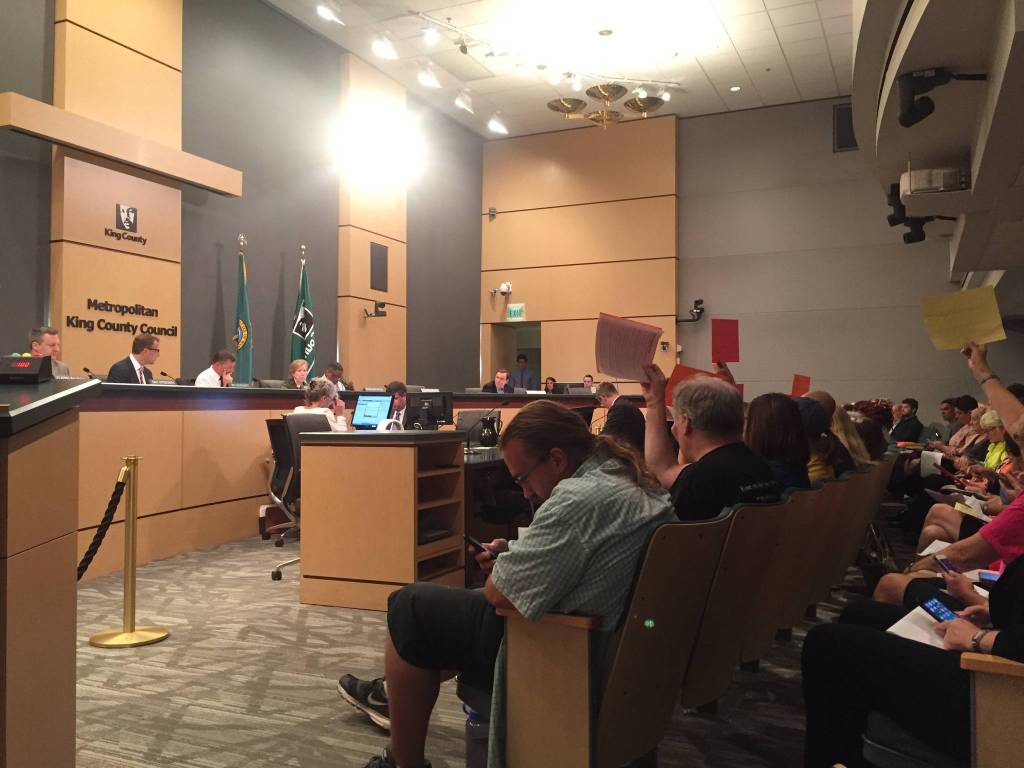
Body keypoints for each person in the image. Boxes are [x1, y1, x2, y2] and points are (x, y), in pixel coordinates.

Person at [335, 400, 675, 768]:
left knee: (408, 607)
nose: (525, 493)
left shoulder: (577, 500)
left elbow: (500, 593)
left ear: (557, 459)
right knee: (435, 622)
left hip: (562, 648)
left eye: (522, 478)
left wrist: (505, 566)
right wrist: (515, 552)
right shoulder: (624, 477)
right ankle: (391, 692)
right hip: (619, 646)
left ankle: (403, 760)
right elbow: (586, 550)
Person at [801, 553, 1024, 768]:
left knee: (827, 646)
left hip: (1001, 700)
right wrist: (994, 614)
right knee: (861, 614)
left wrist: (978, 638)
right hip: (1003, 660)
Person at [641, 364, 781, 521]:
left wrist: (654, 401)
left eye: (677, 420)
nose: (674, 428)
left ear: (686, 423)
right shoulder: (763, 467)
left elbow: (661, 472)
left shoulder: (698, 481)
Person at [743, 393, 811, 491]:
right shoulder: (797, 469)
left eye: (747, 420)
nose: (744, 427)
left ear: (757, 428)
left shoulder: (759, 475)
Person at [596, 381, 645, 453]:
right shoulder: (624, 403)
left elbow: (607, 434)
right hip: (637, 451)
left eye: (601, 402)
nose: (602, 405)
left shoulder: (618, 408)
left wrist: (592, 443)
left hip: (632, 455)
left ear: (603, 397)